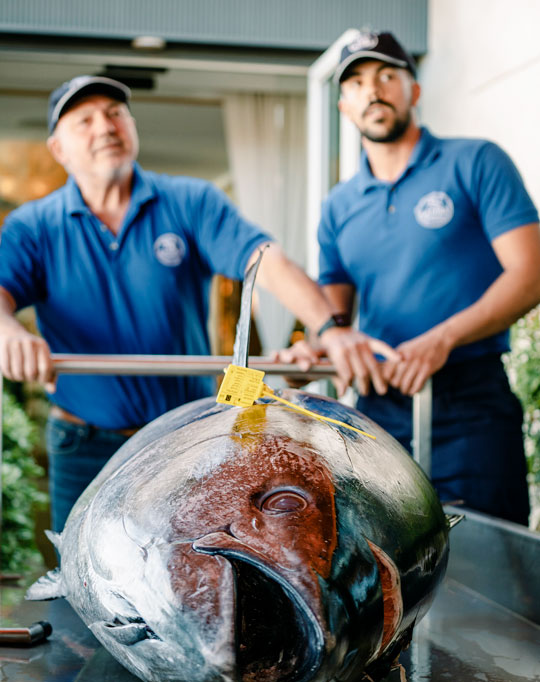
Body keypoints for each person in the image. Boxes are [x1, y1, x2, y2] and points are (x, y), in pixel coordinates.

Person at [0, 75, 398, 533]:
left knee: (190, 584)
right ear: (58, 149)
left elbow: (264, 261)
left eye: (114, 114)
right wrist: (11, 332)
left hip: (182, 443)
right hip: (83, 443)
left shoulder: (190, 201)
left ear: (131, 126)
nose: (105, 127)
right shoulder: (33, 225)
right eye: (84, 120)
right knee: (81, 585)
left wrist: (331, 328)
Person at [281, 31, 540, 525]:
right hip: (379, 416)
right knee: (387, 574)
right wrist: (308, 351)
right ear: (343, 106)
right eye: (357, 82)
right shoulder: (338, 205)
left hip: (472, 404)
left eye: (386, 76)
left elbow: (530, 275)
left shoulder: (476, 162)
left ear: (414, 90)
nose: (373, 90)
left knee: (483, 576)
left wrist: (441, 340)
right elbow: (331, 316)